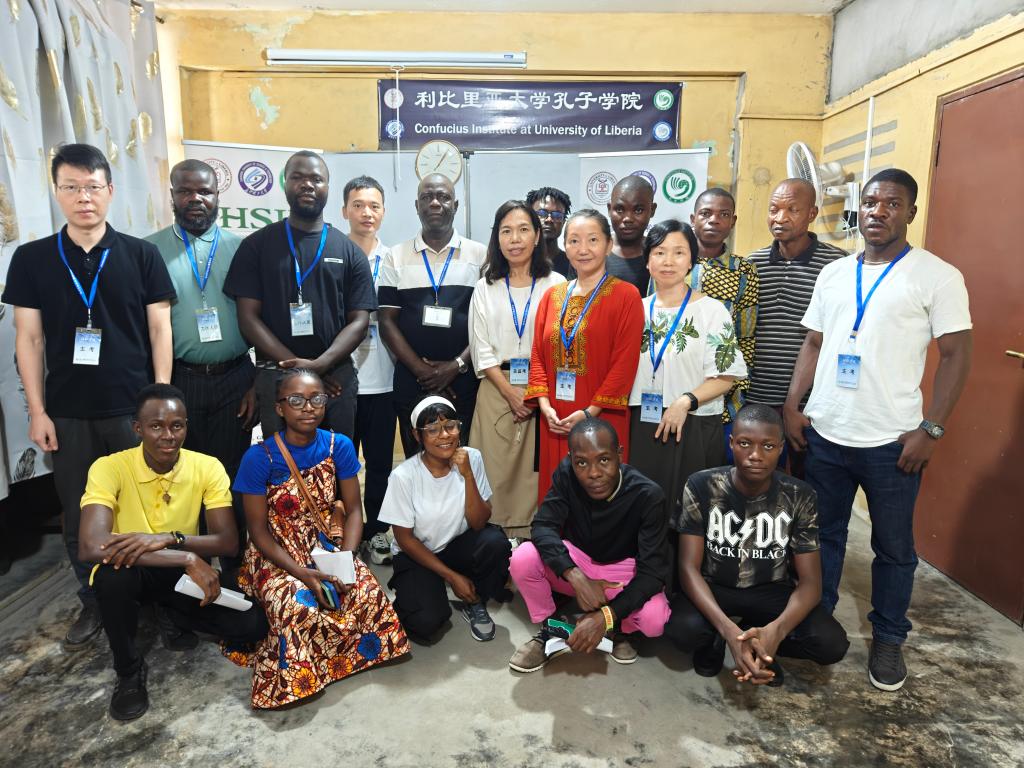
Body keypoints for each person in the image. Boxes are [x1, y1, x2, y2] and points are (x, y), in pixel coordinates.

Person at [784, 169, 972, 692]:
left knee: (893, 548)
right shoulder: (834, 274)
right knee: (822, 536)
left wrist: (931, 429)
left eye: (892, 203)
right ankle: (816, 622)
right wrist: (794, 405)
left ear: (911, 212)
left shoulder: (937, 276)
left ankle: (888, 638)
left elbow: (957, 355)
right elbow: (814, 343)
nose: (878, 211)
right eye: (870, 202)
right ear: (858, 209)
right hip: (826, 431)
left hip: (893, 441)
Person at [2, 143, 175, 648]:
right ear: (57, 193)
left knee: (147, 507)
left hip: (133, 410)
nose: (84, 197)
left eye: (93, 187)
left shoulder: (141, 255)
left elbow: (160, 330)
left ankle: (155, 598)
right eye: (72, 187)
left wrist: (160, 402)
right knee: (80, 513)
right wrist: (38, 412)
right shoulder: (32, 259)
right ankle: (94, 599)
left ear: (110, 191)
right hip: (68, 413)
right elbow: (28, 339)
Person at [78, 384, 269, 721]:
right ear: (137, 428)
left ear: (186, 427)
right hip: (134, 568)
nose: (168, 436)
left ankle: (171, 613)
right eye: (156, 426)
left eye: (176, 425)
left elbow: (227, 541)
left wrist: (169, 539)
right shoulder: (108, 467)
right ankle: (128, 672)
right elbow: (92, 545)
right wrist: (187, 556)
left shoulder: (206, 466)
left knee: (252, 624)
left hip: (181, 575)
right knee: (111, 578)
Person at [231, 368, 409, 709]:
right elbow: (258, 532)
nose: (308, 407)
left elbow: (353, 510)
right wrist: (303, 574)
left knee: (365, 591)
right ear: (280, 408)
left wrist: (346, 559)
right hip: (277, 552)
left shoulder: (338, 445)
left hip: (324, 544)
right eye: (296, 400)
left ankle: (339, 661)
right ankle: (304, 675)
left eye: (316, 399)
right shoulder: (259, 457)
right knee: (296, 605)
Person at [664, 404, 849, 687]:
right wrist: (727, 631)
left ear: (781, 448)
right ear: (731, 443)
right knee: (682, 631)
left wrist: (777, 631)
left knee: (830, 644)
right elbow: (688, 568)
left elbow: (811, 583)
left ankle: (761, 645)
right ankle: (717, 639)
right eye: (745, 443)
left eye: (768, 446)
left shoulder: (800, 495)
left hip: (771, 589)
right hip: (715, 585)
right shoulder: (701, 485)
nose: (755, 455)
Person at [145, 159, 257, 581]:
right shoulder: (148, 250)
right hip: (179, 381)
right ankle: (188, 576)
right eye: (186, 191)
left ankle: (235, 572)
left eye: (204, 191)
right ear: (172, 195)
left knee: (230, 477)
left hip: (235, 379)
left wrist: (257, 382)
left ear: (217, 196)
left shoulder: (242, 248)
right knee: (180, 480)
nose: (195, 199)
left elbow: (260, 316)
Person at [224, 150, 377, 440]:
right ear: (285, 184)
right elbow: (247, 318)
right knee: (283, 461)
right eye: (298, 177)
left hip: (336, 377)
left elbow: (359, 321)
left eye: (316, 179)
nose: (307, 184)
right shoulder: (256, 246)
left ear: (328, 187)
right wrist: (302, 368)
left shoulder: (349, 251)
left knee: (335, 458)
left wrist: (323, 364)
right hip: (276, 374)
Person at [508, 418, 671, 672]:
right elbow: (543, 525)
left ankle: (623, 630)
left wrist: (606, 616)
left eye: (604, 460)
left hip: (623, 572)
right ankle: (551, 630)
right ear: (571, 459)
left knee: (654, 620)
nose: (593, 473)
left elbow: (653, 572)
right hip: (579, 561)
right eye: (581, 462)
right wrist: (575, 576)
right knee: (522, 557)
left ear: (619, 454)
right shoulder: (566, 473)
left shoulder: (648, 495)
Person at [525, 209, 644, 505]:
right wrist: (544, 407)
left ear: (608, 244)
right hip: (556, 419)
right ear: (565, 246)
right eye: (574, 240)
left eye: (592, 240)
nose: (583, 249)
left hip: (602, 417)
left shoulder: (627, 296)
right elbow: (537, 355)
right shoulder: (552, 296)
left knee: (601, 497)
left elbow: (624, 365)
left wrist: (589, 413)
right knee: (558, 497)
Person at [628, 220, 747, 510]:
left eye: (678, 252)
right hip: (642, 422)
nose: (668, 261)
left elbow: (725, 377)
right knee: (644, 508)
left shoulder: (711, 311)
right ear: (647, 261)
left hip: (692, 423)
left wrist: (684, 401)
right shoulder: (635, 309)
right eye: (659, 252)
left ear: (691, 260)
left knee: (689, 512)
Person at [377, 396, 512, 643]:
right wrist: (452, 577)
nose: (445, 435)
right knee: (426, 623)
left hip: (454, 545)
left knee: (495, 543)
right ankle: (425, 588)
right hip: (417, 553)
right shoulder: (403, 476)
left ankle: (475, 601)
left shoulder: (471, 457)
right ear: (417, 435)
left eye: (450, 426)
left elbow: (479, 522)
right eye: (432, 429)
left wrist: (468, 475)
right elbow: (405, 539)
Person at [468, 201, 565, 539]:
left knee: (537, 476)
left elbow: (561, 344)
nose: (515, 239)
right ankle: (496, 547)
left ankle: (535, 545)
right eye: (506, 231)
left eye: (524, 230)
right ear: (497, 238)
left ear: (537, 236)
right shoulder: (485, 287)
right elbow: (480, 349)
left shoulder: (556, 284)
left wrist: (537, 393)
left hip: (544, 391)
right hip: (497, 388)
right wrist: (510, 392)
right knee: (494, 472)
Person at [378, 174, 487, 457]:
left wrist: (456, 366)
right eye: (427, 197)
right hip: (412, 379)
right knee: (417, 460)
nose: (435, 203)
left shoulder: (481, 255)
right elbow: (386, 322)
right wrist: (424, 371)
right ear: (417, 206)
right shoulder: (395, 256)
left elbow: (487, 324)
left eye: (443, 197)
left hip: (464, 380)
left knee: (462, 459)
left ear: (456, 205)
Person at [746, 179, 847, 478]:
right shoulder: (752, 264)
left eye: (792, 209)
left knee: (806, 487)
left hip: (810, 405)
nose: (780, 218)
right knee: (758, 485)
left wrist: (798, 405)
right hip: (757, 399)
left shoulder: (836, 265)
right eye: (773, 209)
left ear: (812, 213)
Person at [342, 175, 397, 566]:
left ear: (383, 212)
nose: (366, 213)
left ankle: (377, 532)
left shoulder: (393, 259)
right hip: (341, 380)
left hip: (385, 379)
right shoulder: (333, 254)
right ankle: (342, 532)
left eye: (374, 206)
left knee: (380, 465)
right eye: (358, 205)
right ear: (344, 210)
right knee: (341, 466)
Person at [689, 188, 759, 455]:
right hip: (672, 386)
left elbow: (746, 337)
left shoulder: (744, 270)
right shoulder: (672, 263)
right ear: (693, 218)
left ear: (733, 221)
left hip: (721, 394)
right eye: (706, 213)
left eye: (723, 215)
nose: (714, 220)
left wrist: (737, 394)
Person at [605, 176, 657, 296]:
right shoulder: (595, 251)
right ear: (609, 209)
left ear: (652, 210)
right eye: (619, 210)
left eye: (638, 210)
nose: (628, 219)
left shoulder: (660, 253)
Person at [526, 186, 574, 279]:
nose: (549, 219)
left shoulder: (573, 265)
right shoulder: (518, 262)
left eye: (557, 215)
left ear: (564, 222)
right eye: (541, 213)